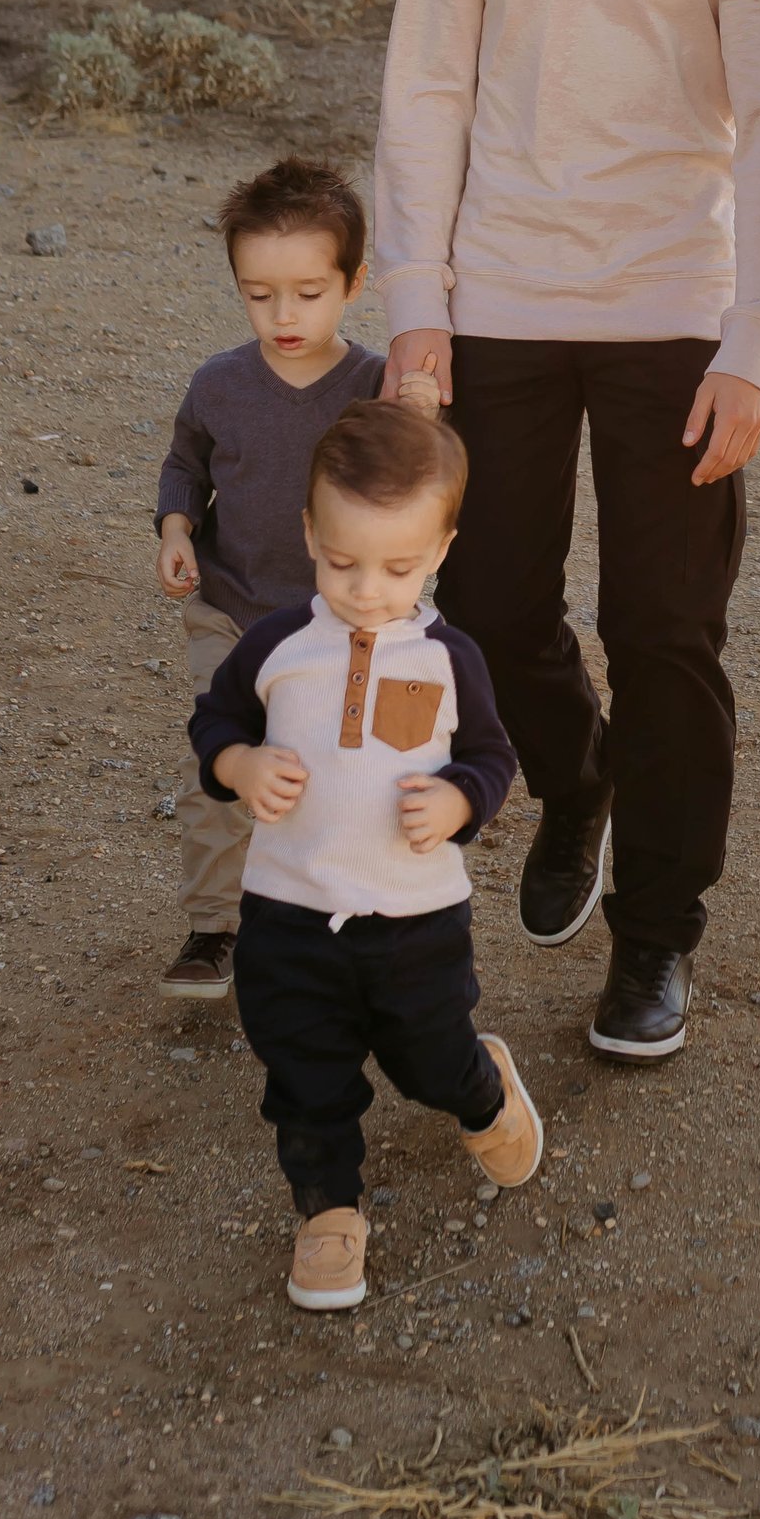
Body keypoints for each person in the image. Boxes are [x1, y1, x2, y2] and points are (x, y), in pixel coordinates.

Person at [374, 0, 760, 1063]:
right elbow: (425, 97)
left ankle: (655, 943)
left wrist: (755, 343)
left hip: (676, 318)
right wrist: (418, 308)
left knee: (668, 635)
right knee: (492, 605)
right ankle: (572, 781)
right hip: (499, 299)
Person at [188, 397, 540, 1313]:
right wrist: (239, 761)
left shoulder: (449, 658)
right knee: (303, 1069)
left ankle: (481, 1089)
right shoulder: (275, 648)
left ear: (442, 551)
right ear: (309, 532)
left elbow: (495, 759)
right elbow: (215, 720)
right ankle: (328, 1213)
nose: (369, 589)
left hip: (416, 919)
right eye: (343, 562)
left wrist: (463, 798)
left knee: (427, 1057)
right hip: (288, 911)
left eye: (399, 567)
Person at [153, 158, 392, 1003]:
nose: (283, 315)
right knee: (221, 764)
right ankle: (214, 927)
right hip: (228, 611)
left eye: (307, 292)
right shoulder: (219, 384)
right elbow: (185, 463)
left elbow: (415, 483)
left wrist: (426, 411)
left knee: (335, 772)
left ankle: (332, 923)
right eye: (259, 294)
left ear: (353, 282)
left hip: (340, 622)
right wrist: (177, 528)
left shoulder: (375, 388)